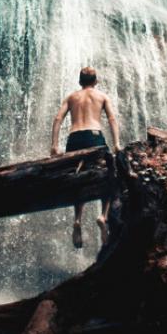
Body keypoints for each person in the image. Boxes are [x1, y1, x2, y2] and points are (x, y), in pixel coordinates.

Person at [50, 66, 121, 249]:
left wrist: (54, 145)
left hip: (74, 138)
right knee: (109, 174)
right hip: (94, 135)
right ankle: (103, 216)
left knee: (78, 180)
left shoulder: (72, 97)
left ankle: (77, 220)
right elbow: (112, 119)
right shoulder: (102, 96)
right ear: (95, 81)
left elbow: (58, 119)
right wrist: (117, 144)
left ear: (80, 81)